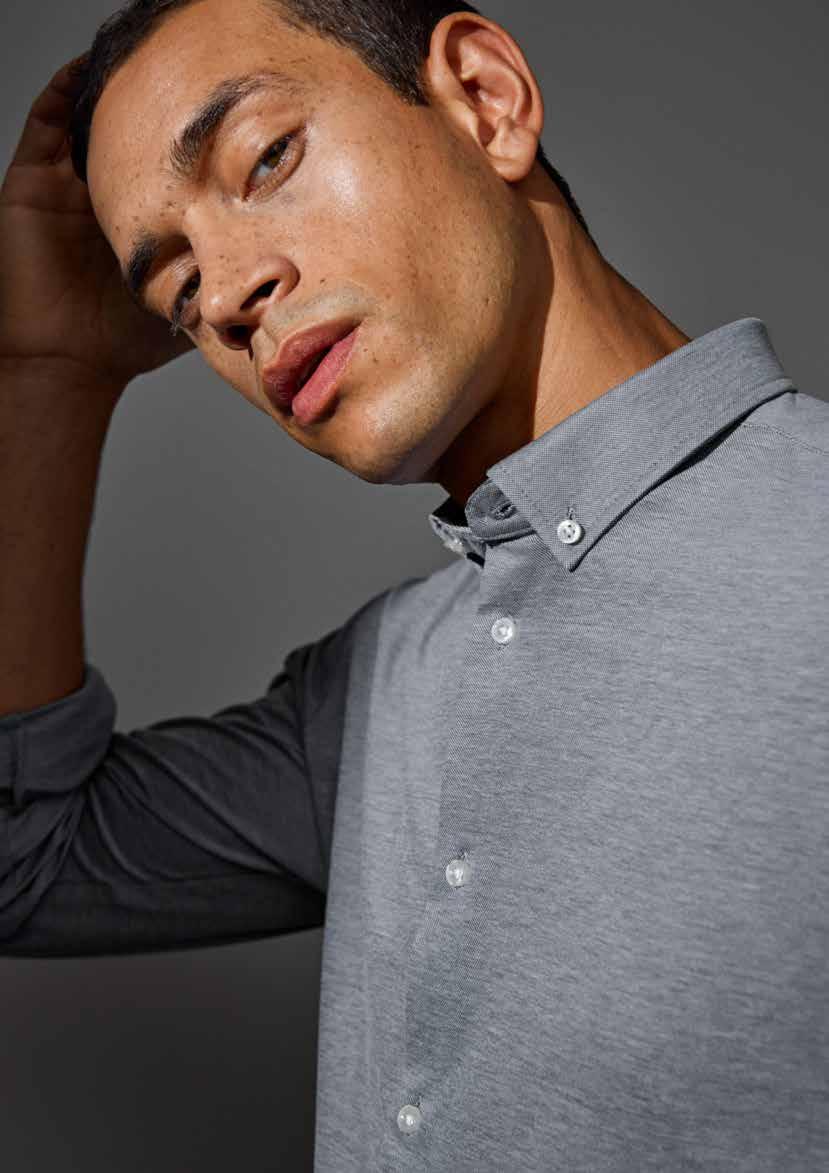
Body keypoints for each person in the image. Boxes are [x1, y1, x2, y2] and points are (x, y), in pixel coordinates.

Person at [1, 0, 827, 1169]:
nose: (225, 297)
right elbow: (24, 867)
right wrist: (46, 373)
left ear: (484, 100)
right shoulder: (371, 695)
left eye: (266, 159)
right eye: (177, 294)